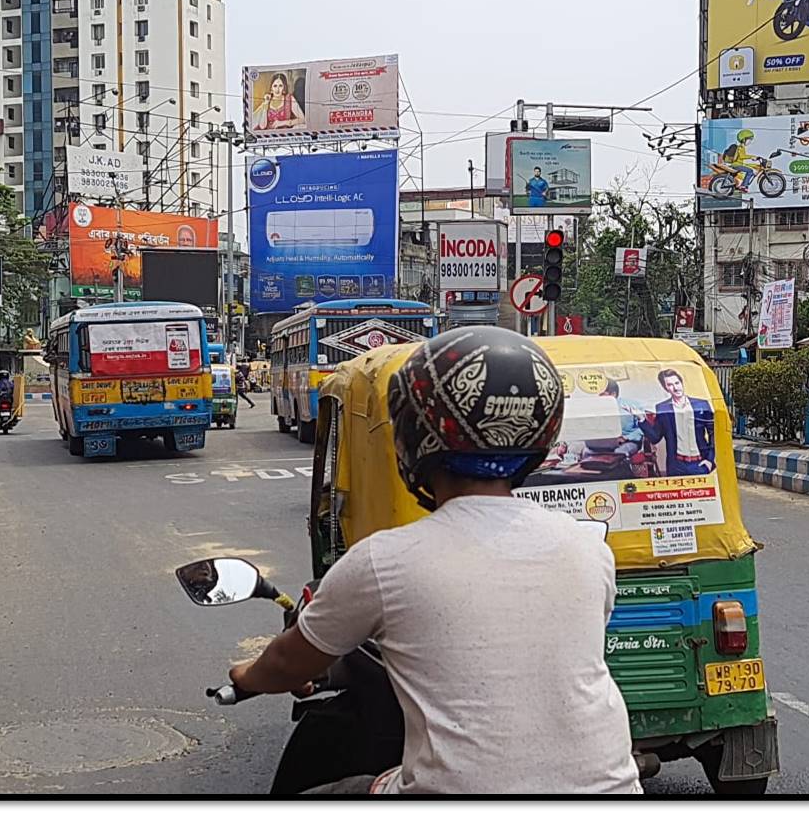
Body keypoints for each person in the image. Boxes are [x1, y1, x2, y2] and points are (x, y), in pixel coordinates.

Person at [227, 327, 641, 795]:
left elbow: (285, 662)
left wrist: (247, 677)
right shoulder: (588, 549)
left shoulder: (384, 561)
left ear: (413, 434)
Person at [641, 368, 715, 476]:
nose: (675, 388)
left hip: (700, 463)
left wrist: (710, 459)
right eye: (670, 385)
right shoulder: (662, 407)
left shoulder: (701, 404)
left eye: (677, 383)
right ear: (665, 388)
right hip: (676, 465)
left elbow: (714, 432)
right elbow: (655, 437)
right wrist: (641, 420)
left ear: (681, 382)